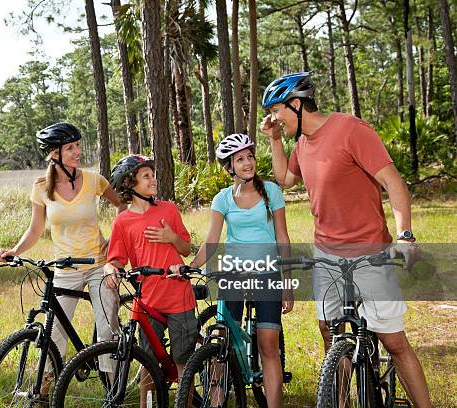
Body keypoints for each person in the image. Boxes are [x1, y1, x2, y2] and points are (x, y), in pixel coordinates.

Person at [260, 72, 431, 407]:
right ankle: (336, 400)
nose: (273, 117)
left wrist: (405, 235)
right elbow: (285, 179)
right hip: (327, 254)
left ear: (296, 104)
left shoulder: (351, 129)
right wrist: (274, 139)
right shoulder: (302, 144)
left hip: (370, 251)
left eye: (277, 109)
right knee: (330, 333)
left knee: (394, 342)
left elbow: (394, 183)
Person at [0, 122, 125, 400]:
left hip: (99, 264)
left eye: (77, 145)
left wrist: (114, 241)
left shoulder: (93, 180)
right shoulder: (41, 187)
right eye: (70, 148)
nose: (78, 151)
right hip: (64, 267)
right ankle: (42, 396)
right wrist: (14, 252)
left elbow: (123, 208)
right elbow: (35, 229)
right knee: (53, 335)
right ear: (54, 154)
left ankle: (113, 392)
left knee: (106, 328)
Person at [181, 133, 293, 408]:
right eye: (240, 159)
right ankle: (217, 401)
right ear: (230, 167)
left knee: (268, 344)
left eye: (250, 156)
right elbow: (212, 240)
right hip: (233, 272)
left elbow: (283, 238)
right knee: (221, 339)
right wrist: (192, 266)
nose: (248, 163)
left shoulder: (272, 192)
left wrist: (287, 281)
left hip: (267, 272)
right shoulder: (223, 199)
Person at [103, 154, 198, 408]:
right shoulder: (122, 221)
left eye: (153, 174)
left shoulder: (169, 209)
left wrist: (171, 237)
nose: (153, 179)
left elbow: (187, 248)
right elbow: (115, 260)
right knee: (147, 363)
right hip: (148, 301)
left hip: (179, 295)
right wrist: (110, 271)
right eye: (146, 176)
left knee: (183, 363)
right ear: (130, 184)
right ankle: (147, 405)